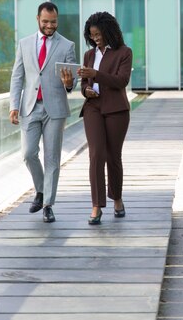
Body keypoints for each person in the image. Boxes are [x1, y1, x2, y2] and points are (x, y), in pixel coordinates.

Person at [9, 1, 77, 223]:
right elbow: (18, 77)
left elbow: (72, 81)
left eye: (54, 21)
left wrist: (69, 83)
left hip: (55, 109)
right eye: (46, 21)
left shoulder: (67, 46)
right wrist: (14, 106)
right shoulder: (24, 44)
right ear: (38, 19)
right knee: (28, 154)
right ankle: (40, 190)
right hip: (29, 108)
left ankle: (48, 204)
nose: (50, 25)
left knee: (52, 158)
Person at [77, 12, 133, 225]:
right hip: (93, 107)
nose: (95, 38)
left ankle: (117, 198)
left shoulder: (124, 52)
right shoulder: (89, 54)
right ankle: (96, 205)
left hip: (116, 109)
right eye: (92, 35)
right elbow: (84, 83)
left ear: (108, 31)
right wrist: (86, 90)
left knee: (113, 156)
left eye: (98, 34)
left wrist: (95, 74)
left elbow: (121, 81)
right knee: (96, 154)